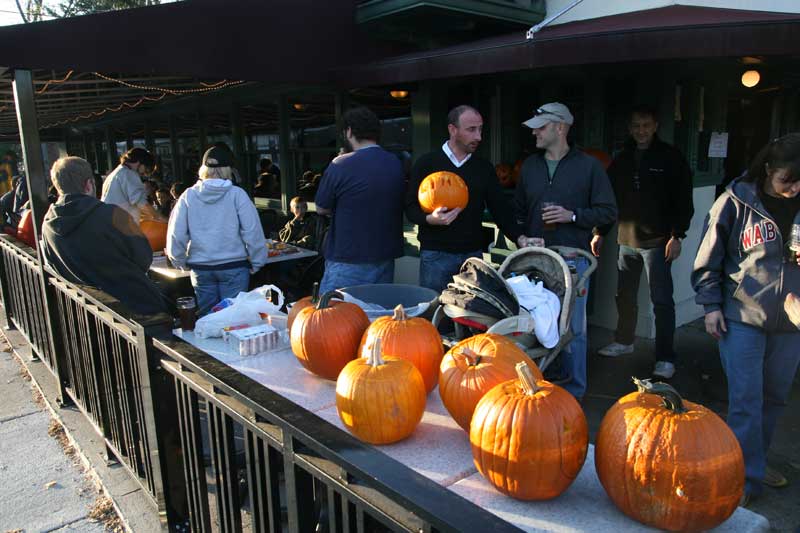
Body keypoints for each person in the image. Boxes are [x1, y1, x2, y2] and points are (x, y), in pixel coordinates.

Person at [692, 133, 800, 505]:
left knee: (774, 397)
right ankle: (741, 478)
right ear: (769, 169)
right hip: (742, 316)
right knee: (745, 400)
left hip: (793, 323)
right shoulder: (735, 201)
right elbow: (709, 256)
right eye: (787, 180)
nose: (794, 188)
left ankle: (755, 461)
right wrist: (710, 306)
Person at [514, 102, 617, 400]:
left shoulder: (589, 166)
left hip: (573, 261)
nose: (535, 133)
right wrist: (521, 237)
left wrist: (572, 216)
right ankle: (540, 390)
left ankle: (572, 396)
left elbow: (608, 211)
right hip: (535, 262)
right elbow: (518, 210)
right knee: (536, 326)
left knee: (573, 331)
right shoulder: (530, 166)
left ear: (561, 128)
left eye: (541, 127)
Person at [595, 105, 694, 380]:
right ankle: (624, 341)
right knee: (624, 295)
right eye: (636, 126)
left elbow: (683, 199)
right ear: (630, 128)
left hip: (659, 241)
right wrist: (600, 231)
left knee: (661, 300)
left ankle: (665, 357)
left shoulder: (671, 158)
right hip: (626, 240)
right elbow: (609, 199)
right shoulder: (622, 159)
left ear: (655, 126)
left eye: (646, 125)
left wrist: (677, 235)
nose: (641, 131)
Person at [405, 105, 524, 293]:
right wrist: (429, 219)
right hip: (436, 255)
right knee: (436, 312)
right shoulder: (427, 163)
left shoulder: (483, 168)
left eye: (480, 129)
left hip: (473, 256)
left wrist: (520, 237)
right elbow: (410, 207)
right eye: (471, 130)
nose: (479, 136)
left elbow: (500, 209)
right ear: (453, 130)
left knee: (471, 316)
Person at [40, 157, 166, 315]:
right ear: (89, 184)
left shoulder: (47, 223)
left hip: (84, 312)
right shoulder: (114, 214)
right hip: (134, 307)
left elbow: (52, 265)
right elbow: (144, 258)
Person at [167, 146, 268, 316]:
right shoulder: (237, 195)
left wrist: (179, 261)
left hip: (201, 268)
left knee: (208, 318)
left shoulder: (188, 195)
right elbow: (252, 231)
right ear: (229, 169)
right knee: (234, 318)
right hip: (234, 266)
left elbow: (176, 233)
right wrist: (258, 261)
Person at [315, 106, 405, 293]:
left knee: (334, 317)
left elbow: (321, 207)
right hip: (385, 256)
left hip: (348, 256)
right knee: (376, 317)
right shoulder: (395, 162)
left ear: (349, 131)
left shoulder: (341, 164)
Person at [101, 147, 165, 223]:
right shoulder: (129, 174)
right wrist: (161, 218)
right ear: (140, 162)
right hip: (121, 227)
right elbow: (141, 203)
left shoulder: (115, 174)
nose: (144, 174)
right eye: (146, 169)